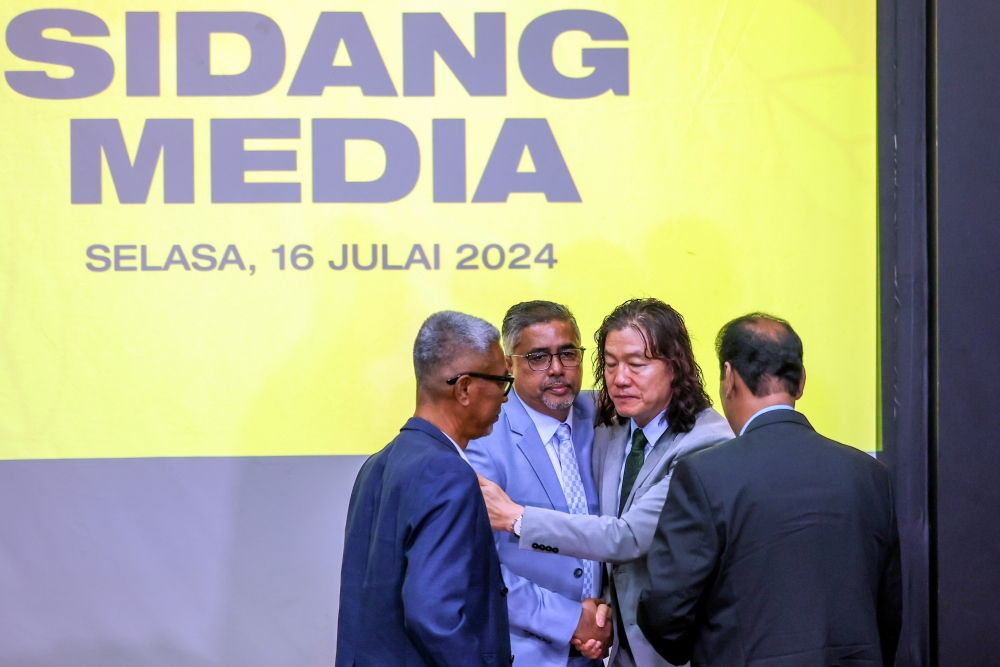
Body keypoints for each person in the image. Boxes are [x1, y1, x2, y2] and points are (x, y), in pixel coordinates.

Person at [636, 313, 903, 667]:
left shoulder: (703, 474)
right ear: (801, 381)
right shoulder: (869, 476)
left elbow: (665, 611)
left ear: (729, 378)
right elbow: (890, 609)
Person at [479, 298, 734, 667]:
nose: (620, 378)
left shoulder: (705, 442)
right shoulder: (610, 422)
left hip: (672, 650)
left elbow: (627, 536)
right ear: (509, 364)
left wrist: (520, 519)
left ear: (675, 367)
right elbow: (477, 566)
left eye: (637, 364)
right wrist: (582, 618)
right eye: (611, 364)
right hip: (553, 650)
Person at [336, 311, 515, 667]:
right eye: (501, 381)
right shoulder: (448, 473)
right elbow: (434, 615)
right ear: (464, 388)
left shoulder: (376, 465)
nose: (505, 397)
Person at [466, 301, 612, 667]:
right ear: (509, 365)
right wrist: (570, 621)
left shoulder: (605, 416)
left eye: (567, 353)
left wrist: (601, 614)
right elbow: (480, 565)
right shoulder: (483, 439)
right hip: (527, 652)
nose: (557, 369)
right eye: (538, 357)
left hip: (600, 645)